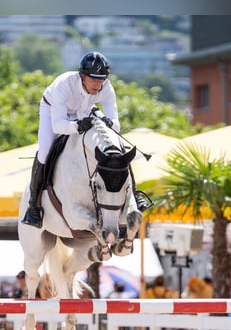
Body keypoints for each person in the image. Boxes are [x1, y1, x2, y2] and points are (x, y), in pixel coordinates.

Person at [21, 51, 149, 229]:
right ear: (82, 76)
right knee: (44, 151)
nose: (98, 83)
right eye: (94, 79)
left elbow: (116, 125)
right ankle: (33, 206)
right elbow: (59, 125)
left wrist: (108, 123)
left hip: (86, 110)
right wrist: (78, 126)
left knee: (117, 145)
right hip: (54, 110)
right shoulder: (64, 85)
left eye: (102, 78)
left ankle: (134, 194)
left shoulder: (106, 87)